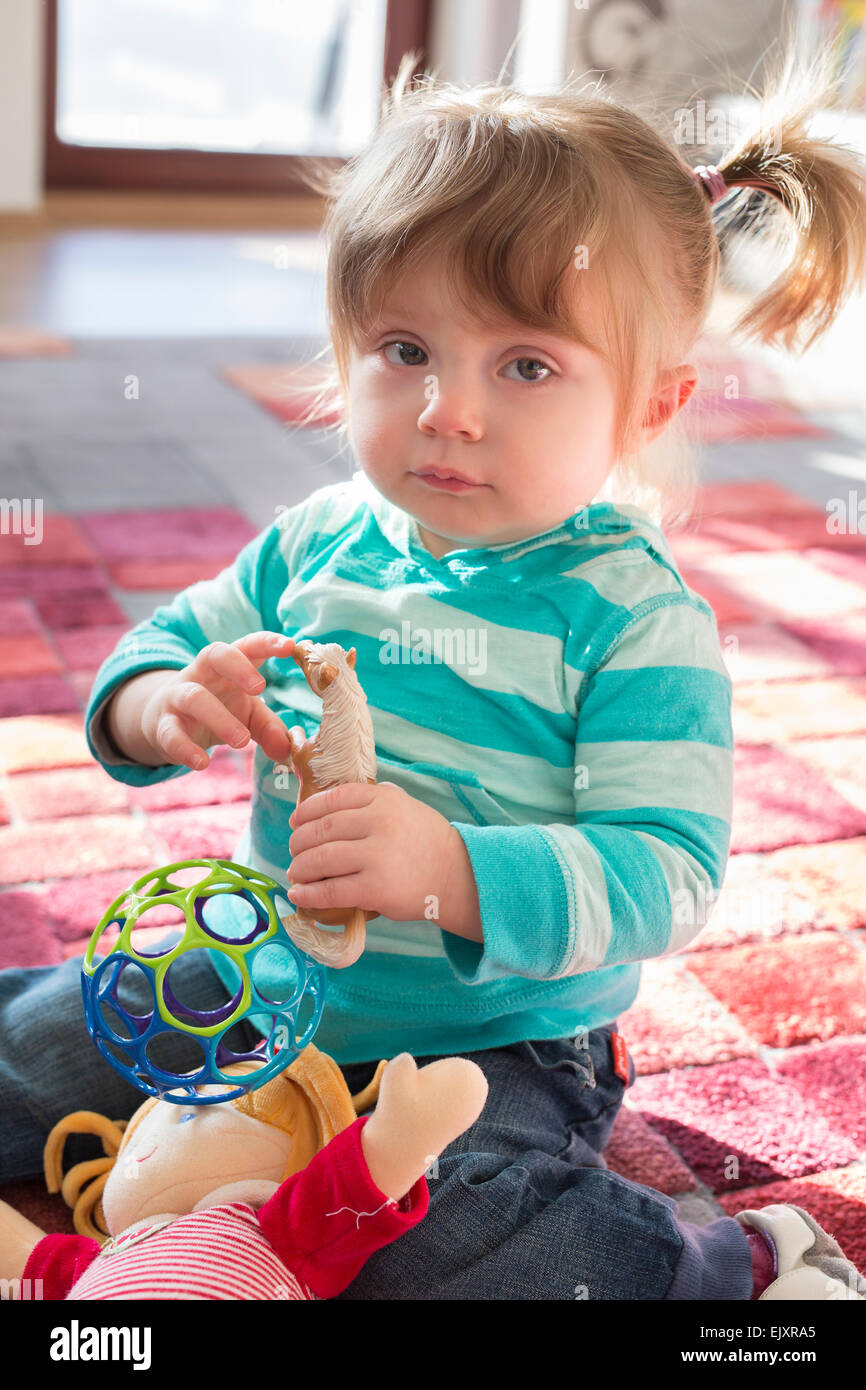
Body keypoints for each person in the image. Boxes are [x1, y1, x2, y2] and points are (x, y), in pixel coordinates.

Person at [3, 40, 865, 1301]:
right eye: (404, 349)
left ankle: (725, 1266)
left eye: (523, 367)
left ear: (650, 406)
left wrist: (448, 873)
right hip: (254, 980)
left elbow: (664, 873)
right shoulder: (318, 542)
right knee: (38, 1049)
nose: (446, 412)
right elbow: (167, 640)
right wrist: (163, 700)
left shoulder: (629, 620)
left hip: (496, 1043)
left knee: (447, 1237)